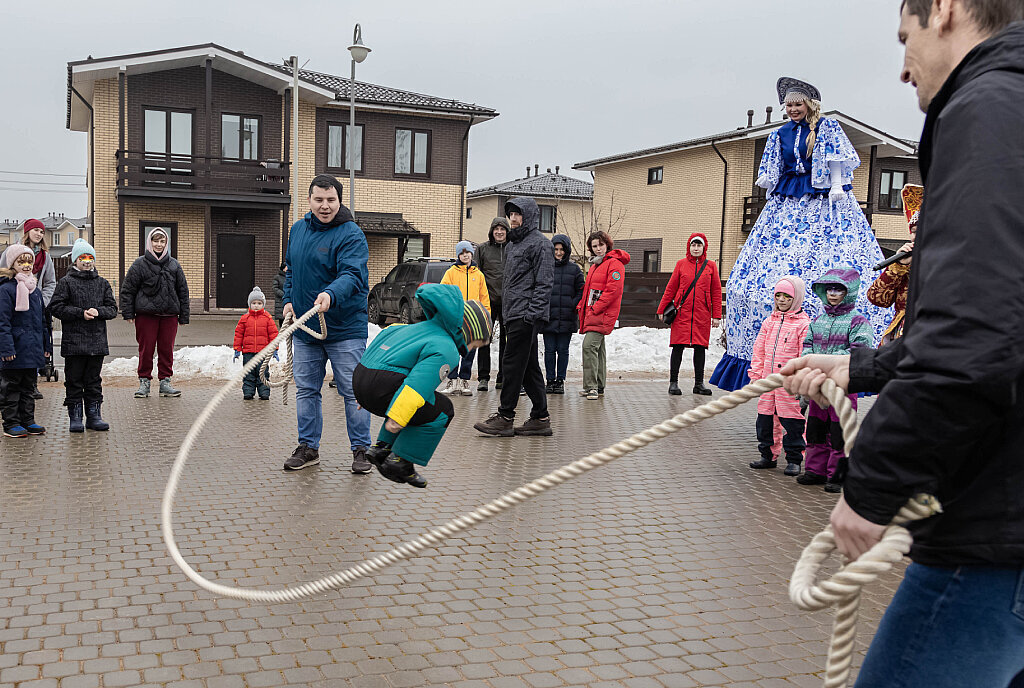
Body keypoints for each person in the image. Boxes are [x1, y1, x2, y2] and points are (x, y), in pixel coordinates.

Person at [783, 5, 1024, 686]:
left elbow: (975, 338)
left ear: (944, 9)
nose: (901, 66)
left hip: (993, 528)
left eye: (904, 37)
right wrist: (866, 365)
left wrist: (875, 485)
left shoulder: (989, 110)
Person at [710, 76, 889, 392]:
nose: (793, 109)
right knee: (763, 270)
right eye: (789, 105)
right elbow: (773, 171)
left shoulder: (826, 128)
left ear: (809, 105)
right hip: (788, 201)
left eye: (798, 104)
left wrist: (836, 185)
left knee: (827, 256)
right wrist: (772, 198)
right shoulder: (779, 134)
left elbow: (836, 157)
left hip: (825, 200)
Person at [357, 285, 491, 488]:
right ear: (469, 331)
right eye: (476, 344)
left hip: (362, 380)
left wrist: (362, 391)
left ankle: (381, 448)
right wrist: (397, 418)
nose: (472, 349)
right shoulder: (446, 347)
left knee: (412, 400)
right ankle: (401, 461)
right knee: (442, 410)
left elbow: (377, 349)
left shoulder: (406, 327)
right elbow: (417, 385)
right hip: (381, 388)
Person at [281, 175, 372, 473]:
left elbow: (352, 275)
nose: (325, 206)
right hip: (307, 328)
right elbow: (290, 270)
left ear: (339, 200)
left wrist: (331, 294)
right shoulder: (297, 230)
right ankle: (308, 447)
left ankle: (361, 449)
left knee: (353, 391)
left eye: (331, 200)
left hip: (345, 328)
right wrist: (288, 300)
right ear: (309, 200)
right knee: (306, 389)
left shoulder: (351, 234)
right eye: (319, 199)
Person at [473, 197, 554, 437]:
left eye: (518, 214)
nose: (513, 219)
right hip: (512, 313)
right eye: (511, 215)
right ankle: (540, 417)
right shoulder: (512, 245)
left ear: (528, 216)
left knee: (511, 365)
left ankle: (505, 416)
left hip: (525, 314)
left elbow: (545, 282)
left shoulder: (541, 244)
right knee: (528, 367)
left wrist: (532, 314)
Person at [797, 269, 872, 493]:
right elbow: (807, 345)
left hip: (843, 386)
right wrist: (809, 363)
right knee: (816, 429)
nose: (832, 294)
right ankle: (815, 470)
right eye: (829, 289)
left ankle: (837, 474)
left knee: (839, 432)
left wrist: (829, 361)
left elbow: (860, 349)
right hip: (819, 385)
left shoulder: (858, 321)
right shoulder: (818, 320)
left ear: (848, 293)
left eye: (838, 289)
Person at [48, 239, 117, 433]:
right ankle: (75, 416)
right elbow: (56, 307)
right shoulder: (66, 282)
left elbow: (112, 309)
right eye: (82, 257)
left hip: (97, 342)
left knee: (93, 381)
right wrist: (80, 313)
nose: (87, 261)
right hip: (74, 343)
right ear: (75, 260)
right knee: (74, 381)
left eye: (90, 257)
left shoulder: (102, 283)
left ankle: (94, 416)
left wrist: (98, 312)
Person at [747, 276, 810, 475]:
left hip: (788, 384)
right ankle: (768, 455)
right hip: (768, 381)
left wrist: (800, 381)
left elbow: (804, 356)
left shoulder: (803, 325)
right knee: (765, 420)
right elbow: (759, 351)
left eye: (787, 297)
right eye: (778, 296)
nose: (781, 300)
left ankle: (794, 459)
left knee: (792, 422)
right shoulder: (769, 322)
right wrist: (756, 375)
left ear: (796, 298)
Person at [120, 226, 189, 399]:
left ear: (166, 243)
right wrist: (128, 313)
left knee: (167, 349)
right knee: (146, 349)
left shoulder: (174, 265)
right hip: (146, 316)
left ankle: (165, 381)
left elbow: (183, 290)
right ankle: (144, 381)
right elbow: (128, 289)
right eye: (155, 240)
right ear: (149, 242)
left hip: (169, 316)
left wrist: (184, 315)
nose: (159, 244)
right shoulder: (139, 264)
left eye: (162, 241)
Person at [657, 233, 721, 396]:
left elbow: (716, 291)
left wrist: (717, 315)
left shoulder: (711, 266)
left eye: (699, 245)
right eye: (693, 245)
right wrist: (661, 309)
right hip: (682, 313)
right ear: (689, 247)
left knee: (700, 348)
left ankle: (699, 384)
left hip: (702, 314)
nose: (696, 248)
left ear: (704, 247)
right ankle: (673, 383)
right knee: (678, 346)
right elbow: (671, 288)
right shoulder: (681, 264)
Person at [0, 245, 51, 438]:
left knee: (29, 387)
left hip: (32, 348)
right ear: (13, 264)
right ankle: (11, 423)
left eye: (29, 261)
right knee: (11, 388)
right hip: (14, 348)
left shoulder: (35, 291)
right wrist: (6, 348)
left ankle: (28, 420)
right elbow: (2, 323)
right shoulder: (6, 290)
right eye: (21, 262)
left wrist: (46, 345)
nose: (27, 265)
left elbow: (43, 322)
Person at [577, 231, 629, 400]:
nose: (598, 248)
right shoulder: (595, 265)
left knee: (589, 346)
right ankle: (598, 385)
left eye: (600, 245)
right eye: (594, 246)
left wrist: (596, 308)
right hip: (593, 312)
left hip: (601, 313)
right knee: (598, 350)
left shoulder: (614, 264)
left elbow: (613, 290)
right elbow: (589, 291)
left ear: (607, 244)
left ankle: (591, 387)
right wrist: (583, 307)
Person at [866, 185, 921, 344]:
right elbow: (877, 298)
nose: (916, 237)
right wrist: (897, 267)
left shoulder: (951, 263)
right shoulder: (905, 263)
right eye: (914, 231)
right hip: (901, 338)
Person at [8, 219, 56, 400]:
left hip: (36, 305)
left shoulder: (45, 256)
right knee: (17, 340)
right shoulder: (14, 251)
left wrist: (42, 301)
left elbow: (51, 282)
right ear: (27, 232)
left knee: (36, 342)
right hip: (16, 304)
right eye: (36, 230)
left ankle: (32, 382)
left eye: (42, 232)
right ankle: (12, 381)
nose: (39, 234)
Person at [439, 240, 490, 396]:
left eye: (467, 252)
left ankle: (464, 381)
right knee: (453, 350)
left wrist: (485, 316)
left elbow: (484, 297)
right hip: (455, 319)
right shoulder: (451, 273)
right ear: (458, 255)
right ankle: (452, 381)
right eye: (461, 253)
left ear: (471, 254)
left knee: (469, 351)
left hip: (473, 320)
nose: (465, 255)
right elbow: (443, 294)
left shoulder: (478, 274)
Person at [542, 234, 584, 395]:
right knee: (550, 350)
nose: (559, 253)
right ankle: (550, 380)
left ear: (567, 250)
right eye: (556, 249)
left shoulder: (574, 269)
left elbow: (582, 289)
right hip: (549, 316)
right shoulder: (545, 267)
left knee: (563, 350)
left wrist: (573, 304)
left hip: (567, 316)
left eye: (562, 249)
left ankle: (560, 380)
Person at [475, 217, 509, 391]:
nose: (499, 232)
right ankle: (483, 377)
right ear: (491, 231)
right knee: (484, 339)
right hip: (487, 302)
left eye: (502, 229)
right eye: (496, 229)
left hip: (508, 302)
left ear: (507, 231)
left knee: (506, 341)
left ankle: (502, 377)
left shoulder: (513, 248)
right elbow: (476, 274)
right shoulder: (482, 249)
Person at [233, 286, 280, 401]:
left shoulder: (268, 318)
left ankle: (264, 393)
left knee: (263, 373)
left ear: (263, 304)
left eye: (259, 303)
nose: (256, 305)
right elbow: (239, 334)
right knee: (248, 373)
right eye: (254, 303)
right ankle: (248, 392)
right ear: (249, 304)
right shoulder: (244, 319)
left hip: (263, 353)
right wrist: (237, 349)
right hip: (248, 352)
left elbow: (273, 335)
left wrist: (275, 349)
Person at [273, 262, 287, 328]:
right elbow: (275, 288)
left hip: (289, 300)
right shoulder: (277, 277)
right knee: (282, 319)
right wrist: (283, 294)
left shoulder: (290, 277)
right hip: (280, 301)